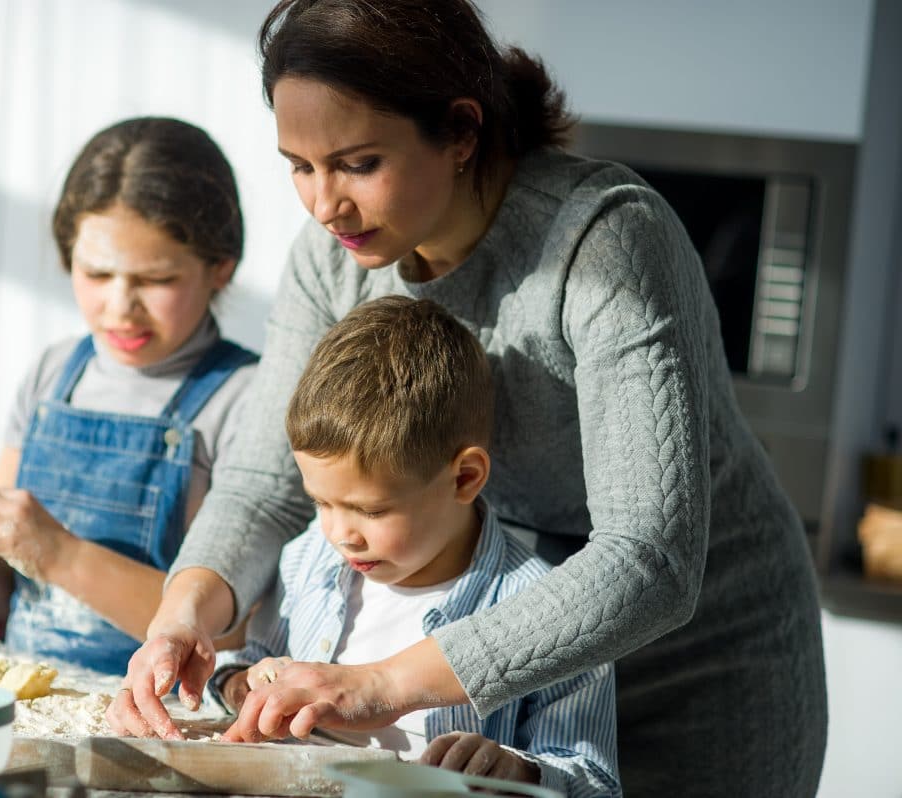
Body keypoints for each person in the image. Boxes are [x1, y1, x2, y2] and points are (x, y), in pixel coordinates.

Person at [106, 2, 827, 796]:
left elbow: (649, 559)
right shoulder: (330, 262)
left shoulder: (606, 243)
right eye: (299, 165)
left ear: (459, 132)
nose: (323, 204)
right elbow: (262, 482)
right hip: (493, 666)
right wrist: (185, 614)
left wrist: (378, 684)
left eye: (356, 163)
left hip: (697, 661)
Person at [0, 117, 258, 675]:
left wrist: (61, 555)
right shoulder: (53, 373)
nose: (120, 305)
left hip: (166, 715)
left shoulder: (243, 398)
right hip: (30, 694)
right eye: (96, 273)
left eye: (155, 280)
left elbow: (233, 634)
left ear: (220, 268)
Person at [208, 296, 620, 796]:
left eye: (372, 510)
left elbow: (594, 781)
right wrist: (246, 684)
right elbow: (249, 661)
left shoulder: (547, 607)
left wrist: (515, 771)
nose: (341, 533)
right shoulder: (308, 559)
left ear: (465, 478)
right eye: (320, 502)